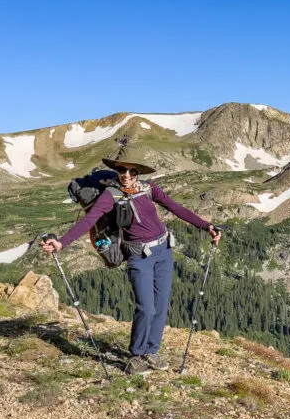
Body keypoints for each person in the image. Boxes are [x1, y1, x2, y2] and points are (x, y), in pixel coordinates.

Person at [42, 149, 221, 374]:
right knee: (146, 307)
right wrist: (62, 243)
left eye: (131, 170)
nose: (126, 174)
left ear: (138, 172)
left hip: (164, 251)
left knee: (161, 306)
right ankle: (136, 354)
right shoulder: (110, 195)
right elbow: (89, 221)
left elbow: (176, 208)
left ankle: (152, 351)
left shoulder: (149, 188)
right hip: (138, 256)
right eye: (121, 170)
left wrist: (207, 226)